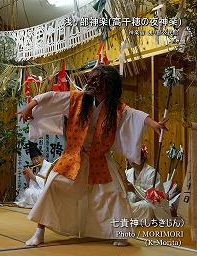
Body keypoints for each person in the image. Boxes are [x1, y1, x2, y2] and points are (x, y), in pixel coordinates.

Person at [17, 65, 168, 247]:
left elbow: (135, 116)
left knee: (114, 194)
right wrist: (30, 107)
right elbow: (51, 97)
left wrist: (154, 124)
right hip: (73, 156)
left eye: (96, 80)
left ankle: (120, 232)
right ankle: (39, 232)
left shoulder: (117, 108)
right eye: (90, 78)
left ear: (108, 85)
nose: (90, 82)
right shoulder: (77, 100)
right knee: (52, 186)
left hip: (100, 159)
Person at [15, 141, 52, 208]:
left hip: (48, 191)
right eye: (33, 159)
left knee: (30, 193)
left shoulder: (49, 166)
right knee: (27, 191)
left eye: (37, 158)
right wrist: (27, 176)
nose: (36, 161)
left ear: (42, 157)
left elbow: (45, 183)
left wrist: (31, 175)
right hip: (39, 190)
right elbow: (31, 185)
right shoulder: (37, 168)